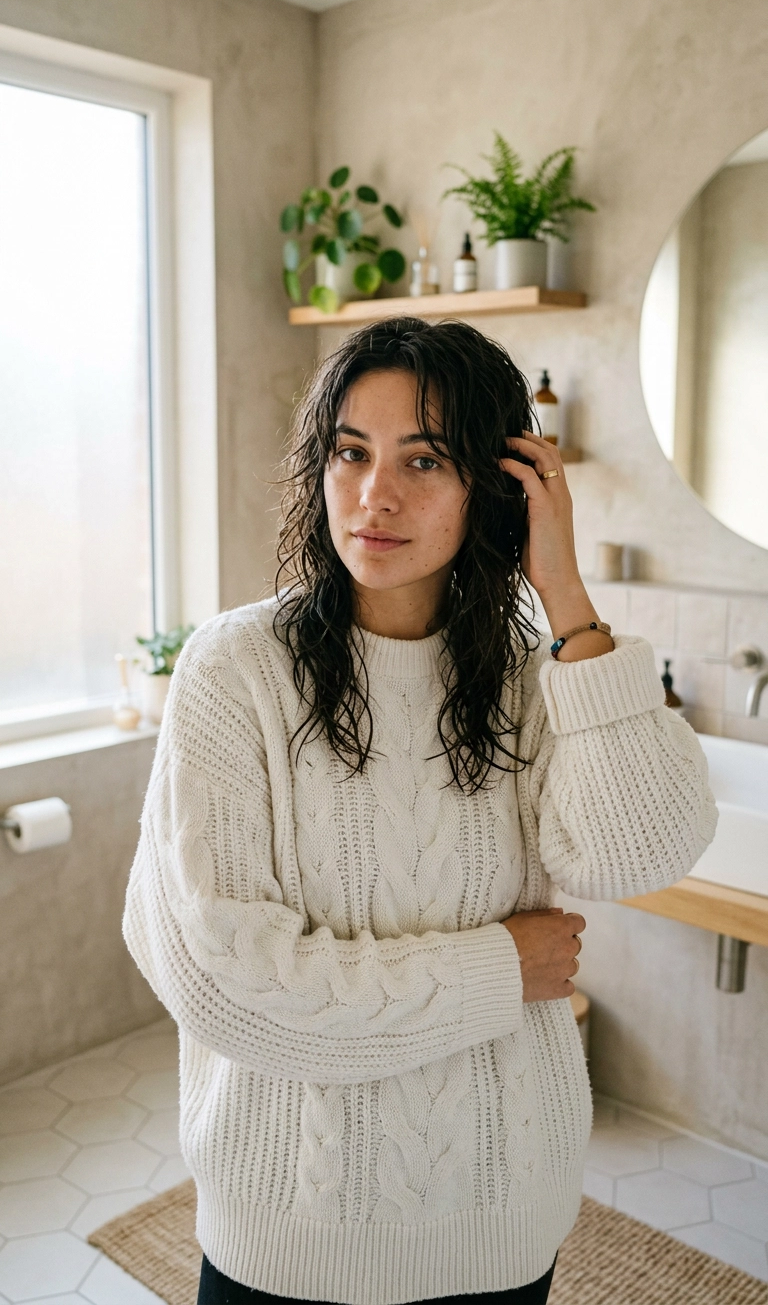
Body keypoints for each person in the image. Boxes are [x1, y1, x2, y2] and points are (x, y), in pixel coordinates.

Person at [123, 317, 715, 1305]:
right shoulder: (235, 669)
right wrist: (499, 968)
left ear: (496, 485)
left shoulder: (536, 674)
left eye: (424, 459)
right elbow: (228, 984)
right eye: (350, 452)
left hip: (501, 1218)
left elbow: (639, 850)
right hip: (287, 1231)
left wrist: (566, 596)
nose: (374, 495)